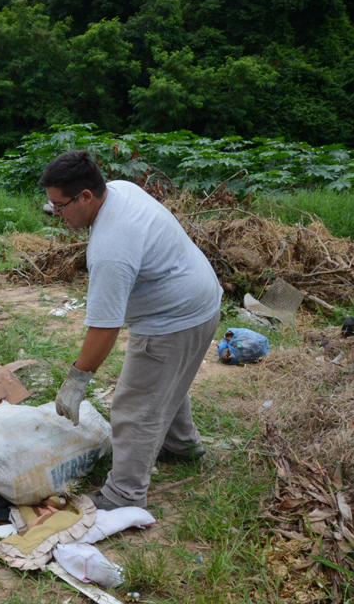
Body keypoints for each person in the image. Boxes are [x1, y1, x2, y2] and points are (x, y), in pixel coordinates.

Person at [41, 150, 222, 510]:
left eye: (60, 207)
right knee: (166, 381)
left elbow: (104, 330)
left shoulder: (110, 248)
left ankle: (123, 495)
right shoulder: (120, 189)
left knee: (134, 405)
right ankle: (181, 447)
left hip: (175, 318)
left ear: (86, 196)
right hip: (200, 300)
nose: (57, 216)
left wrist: (76, 381)